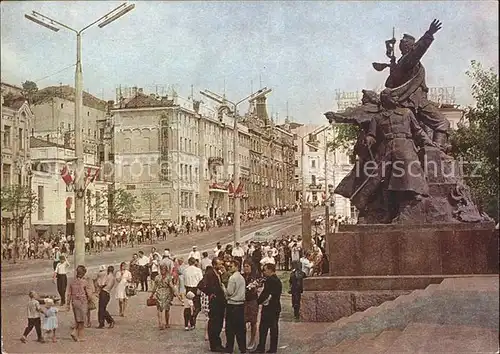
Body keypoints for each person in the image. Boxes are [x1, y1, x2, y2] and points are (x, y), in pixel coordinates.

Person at [198, 257, 226, 352]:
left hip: (220, 302)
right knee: (214, 323)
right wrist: (210, 293)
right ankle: (214, 345)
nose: (221, 265)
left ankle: (217, 343)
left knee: (219, 324)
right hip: (215, 303)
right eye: (219, 264)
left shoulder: (218, 273)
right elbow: (201, 285)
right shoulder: (209, 273)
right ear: (214, 265)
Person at [254, 263, 282, 354]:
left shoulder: (270, 280)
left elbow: (265, 293)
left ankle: (261, 347)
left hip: (269, 308)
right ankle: (272, 349)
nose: (264, 272)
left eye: (265, 270)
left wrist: (257, 302)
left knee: (263, 328)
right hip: (276, 307)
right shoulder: (277, 280)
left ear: (270, 270)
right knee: (274, 329)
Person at [224, 259, 247, 354]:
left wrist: (223, 289)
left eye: (231, 266)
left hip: (232, 304)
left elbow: (230, 292)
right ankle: (242, 348)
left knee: (230, 329)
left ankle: (229, 348)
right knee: (241, 329)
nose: (229, 268)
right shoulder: (241, 277)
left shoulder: (232, 278)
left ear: (237, 267)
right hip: (241, 305)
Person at [150, 263, 177, 330]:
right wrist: (175, 292)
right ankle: (167, 323)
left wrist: (152, 294)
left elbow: (154, 287)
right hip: (167, 294)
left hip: (159, 293)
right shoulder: (168, 277)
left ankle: (160, 323)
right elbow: (171, 286)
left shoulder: (157, 277)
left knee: (159, 309)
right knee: (167, 310)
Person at [67, 265, 90, 342]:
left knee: (77, 319)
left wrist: (67, 304)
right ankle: (80, 335)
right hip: (82, 301)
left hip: (74, 302)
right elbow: (88, 293)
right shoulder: (84, 282)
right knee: (82, 320)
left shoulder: (72, 282)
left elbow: (69, 293)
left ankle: (77, 335)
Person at [243, 259, 259, 350]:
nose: (245, 268)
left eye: (247, 266)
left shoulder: (255, 277)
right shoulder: (242, 276)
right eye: (244, 266)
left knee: (253, 321)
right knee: (244, 321)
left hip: (252, 301)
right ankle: (244, 339)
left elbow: (257, 287)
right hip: (244, 301)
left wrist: (254, 286)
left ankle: (252, 339)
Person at [184, 257, 203, 328]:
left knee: (187, 306)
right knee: (197, 305)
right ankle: (193, 317)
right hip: (196, 288)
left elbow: (184, 280)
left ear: (189, 262)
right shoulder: (198, 270)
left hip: (188, 288)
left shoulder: (186, 270)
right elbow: (201, 280)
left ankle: (186, 324)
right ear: (195, 262)